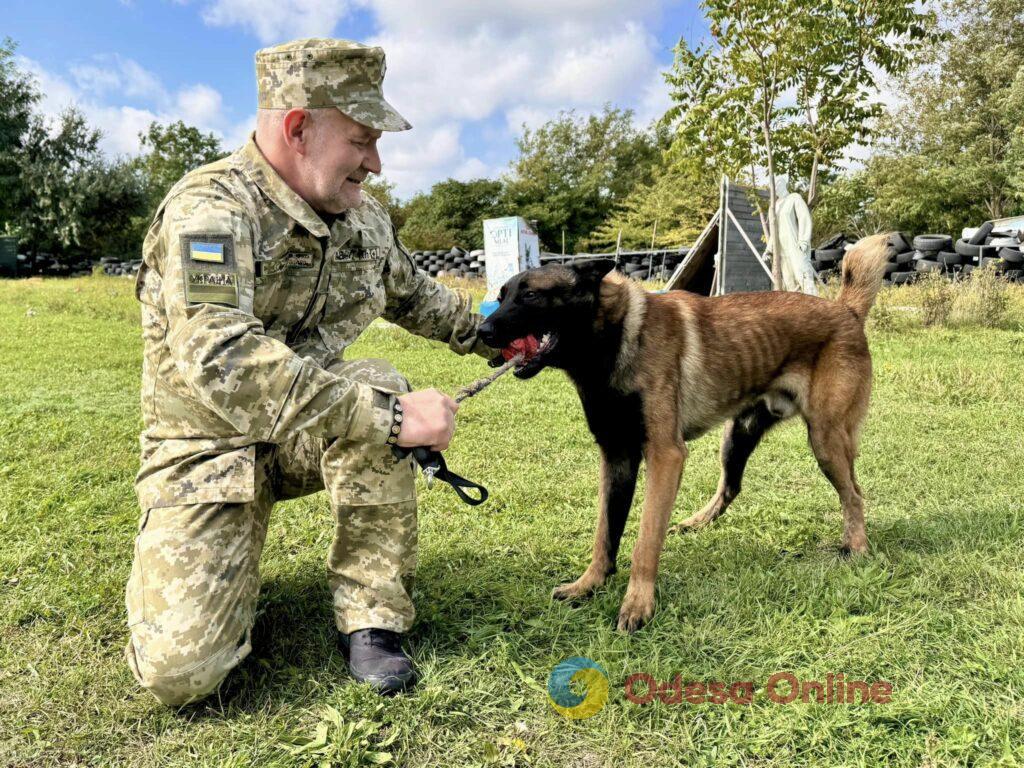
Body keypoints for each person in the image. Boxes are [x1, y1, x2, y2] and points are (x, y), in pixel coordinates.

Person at [124, 38, 509, 706]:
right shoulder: (211, 210)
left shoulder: (364, 221)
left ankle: (372, 617)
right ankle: (202, 559)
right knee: (181, 675)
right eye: (362, 140)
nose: (377, 162)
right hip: (206, 450)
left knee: (378, 379)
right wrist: (390, 418)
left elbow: (416, 295)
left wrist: (499, 339)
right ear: (299, 128)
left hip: (304, 432)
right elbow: (222, 359)